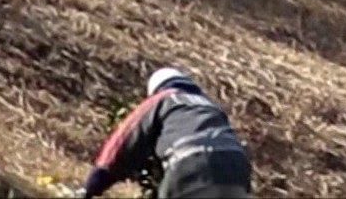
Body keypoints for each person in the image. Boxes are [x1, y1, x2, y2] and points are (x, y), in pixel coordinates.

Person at [80, 67, 252, 199]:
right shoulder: (210, 105)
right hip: (236, 169)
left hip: (193, 165)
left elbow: (123, 143)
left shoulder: (163, 99)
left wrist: (92, 186)